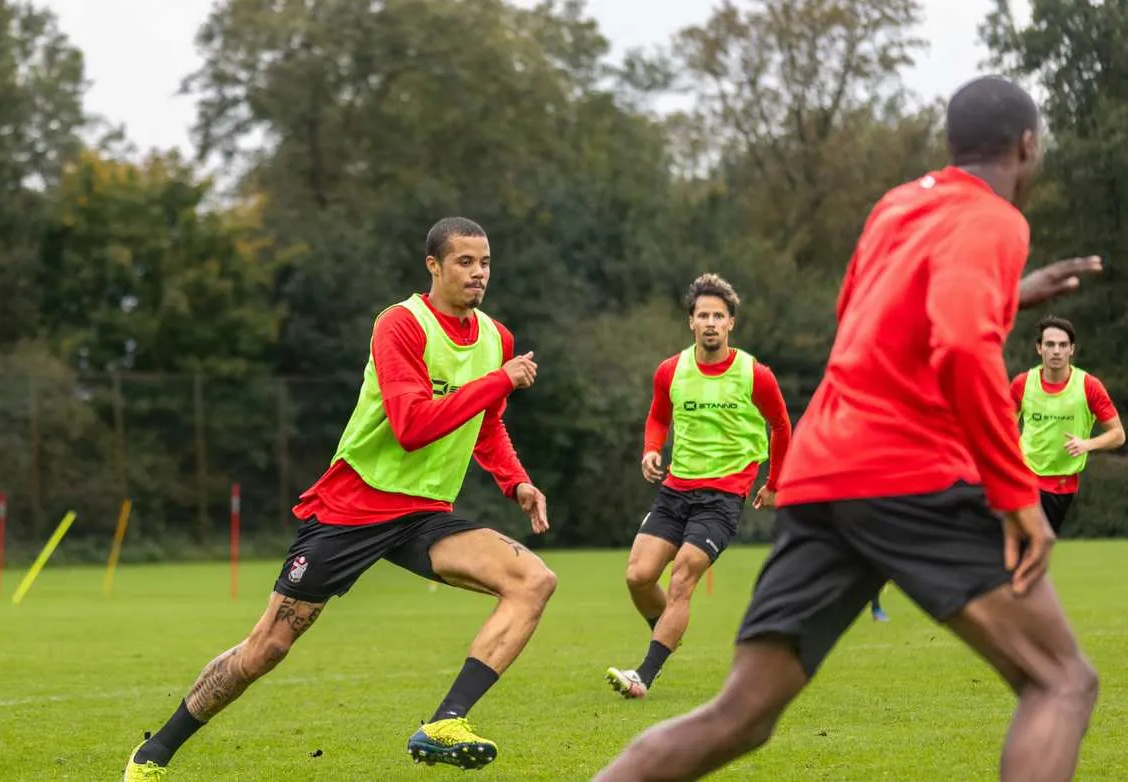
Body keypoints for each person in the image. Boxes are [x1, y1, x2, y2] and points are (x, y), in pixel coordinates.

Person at [595, 75, 1102, 782]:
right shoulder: (997, 220)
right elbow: (960, 347)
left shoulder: (898, 204)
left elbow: (868, 318)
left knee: (740, 715)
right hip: (910, 477)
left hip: (823, 479)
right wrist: (1018, 498)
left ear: (953, 146)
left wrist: (1003, 295)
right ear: (1027, 146)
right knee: (1062, 682)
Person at [124, 217, 556, 779]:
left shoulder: (497, 338)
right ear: (434, 266)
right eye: (465, 262)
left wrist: (515, 480)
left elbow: (486, 423)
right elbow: (410, 425)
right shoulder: (400, 324)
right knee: (267, 648)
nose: (478, 274)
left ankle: (445, 722)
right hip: (355, 508)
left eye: (486, 262)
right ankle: (155, 753)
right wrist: (501, 380)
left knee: (534, 580)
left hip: (425, 513)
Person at [605, 274, 791, 699]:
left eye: (718, 316)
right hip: (675, 490)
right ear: (691, 322)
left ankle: (644, 675)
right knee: (637, 576)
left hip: (723, 496)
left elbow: (781, 425)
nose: (710, 322)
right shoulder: (671, 370)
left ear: (731, 325)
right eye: (702, 315)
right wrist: (651, 450)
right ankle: (666, 630)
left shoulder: (755, 375)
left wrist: (775, 481)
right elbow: (657, 417)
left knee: (682, 580)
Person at [1012, 315, 1123, 533]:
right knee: (1011, 547)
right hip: (1023, 477)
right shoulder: (1022, 384)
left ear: (1071, 350)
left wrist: (1087, 444)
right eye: (1050, 344)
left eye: (1063, 345)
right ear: (1039, 348)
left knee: (1030, 551)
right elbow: (1002, 428)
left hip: (1059, 486)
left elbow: (1118, 434)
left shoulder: (1089, 386)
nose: (1056, 351)